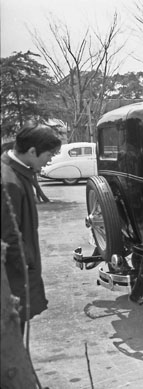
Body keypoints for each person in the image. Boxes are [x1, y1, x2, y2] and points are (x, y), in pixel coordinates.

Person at [1, 122, 61, 335]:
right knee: (13, 336)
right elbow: (9, 237)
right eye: (48, 155)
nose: (49, 161)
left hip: (20, 273)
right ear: (32, 151)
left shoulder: (18, 172)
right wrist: (27, 264)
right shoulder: (9, 182)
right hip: (15, 277)